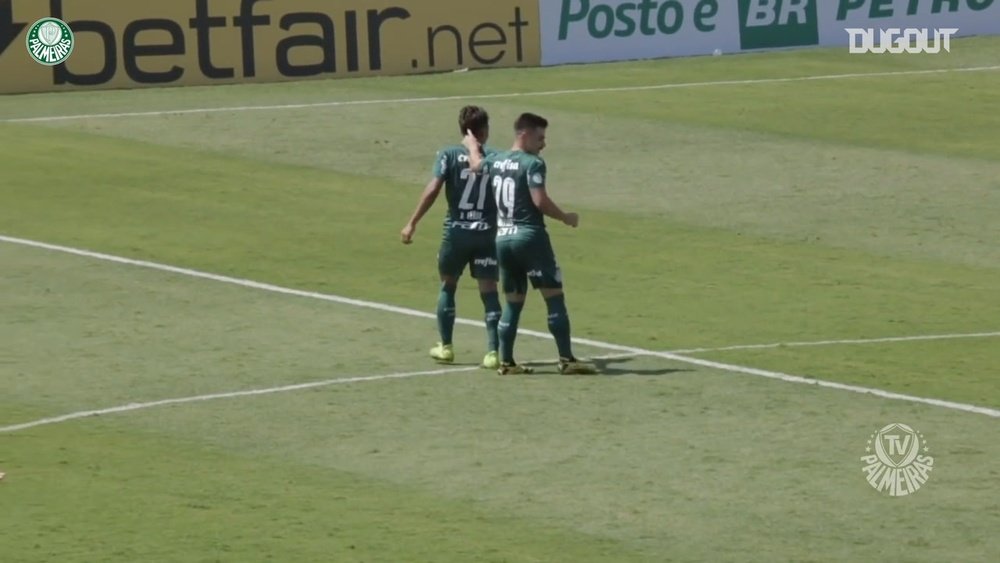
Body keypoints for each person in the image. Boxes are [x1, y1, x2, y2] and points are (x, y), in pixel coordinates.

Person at [464, 112, 596, 375]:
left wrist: (471, 146)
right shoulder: (533, 163)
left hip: (502, 239)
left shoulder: (497, 159)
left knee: (513, 301)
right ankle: (566, 359)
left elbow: (476, 165)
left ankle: (507, 361)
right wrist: (565, 217)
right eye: (540, 137)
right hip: (530, 237)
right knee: (553, 295)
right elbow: (539, 201)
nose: (543, 144)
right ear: (524, 134)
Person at [401, 106, 502, 370]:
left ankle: (446, 347)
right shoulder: (495, 158)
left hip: (456, 233)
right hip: (487, 235)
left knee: (448, 285)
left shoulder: (448, 154)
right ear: (485, 130)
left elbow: (433, 189)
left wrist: (412, 223)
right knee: (489, 291)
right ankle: (493, 352)